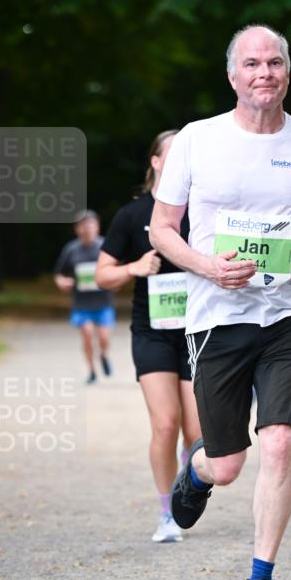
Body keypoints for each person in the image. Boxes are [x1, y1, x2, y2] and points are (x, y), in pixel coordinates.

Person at [150, 24, 291, 580]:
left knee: (281, 442)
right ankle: (198, 469)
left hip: (287, 315)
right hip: (217, 318)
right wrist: (207, 265)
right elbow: (161, 229)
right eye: (253, 63)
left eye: (275, 63)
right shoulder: (196, 140)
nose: (265, 73)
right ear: (233, 75)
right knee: (231, 463)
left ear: (288, 72)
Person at [95, 131, 201, 543]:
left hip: (195, 332)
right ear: (156, 162)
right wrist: (133, 269)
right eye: (172, 155)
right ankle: (166, 515)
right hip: (152, 333)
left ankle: (185, 487)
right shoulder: (131, 214)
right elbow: (103, 274)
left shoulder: (201, 213)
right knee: (165, 424)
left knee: (197, 435)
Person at [54, 211, 114, 384]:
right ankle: (92, 371)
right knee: (87, 335)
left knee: (103, 338)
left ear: (97, 227)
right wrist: (62, 282)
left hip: (104, 302)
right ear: (77, 229)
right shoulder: (71, 250)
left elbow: (116, 268)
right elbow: (59, 274)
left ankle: (103, 355)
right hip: (81, 304)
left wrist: (113, 281)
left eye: (90, 225)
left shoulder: (106, 247)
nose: (87, 229)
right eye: (83, 225)